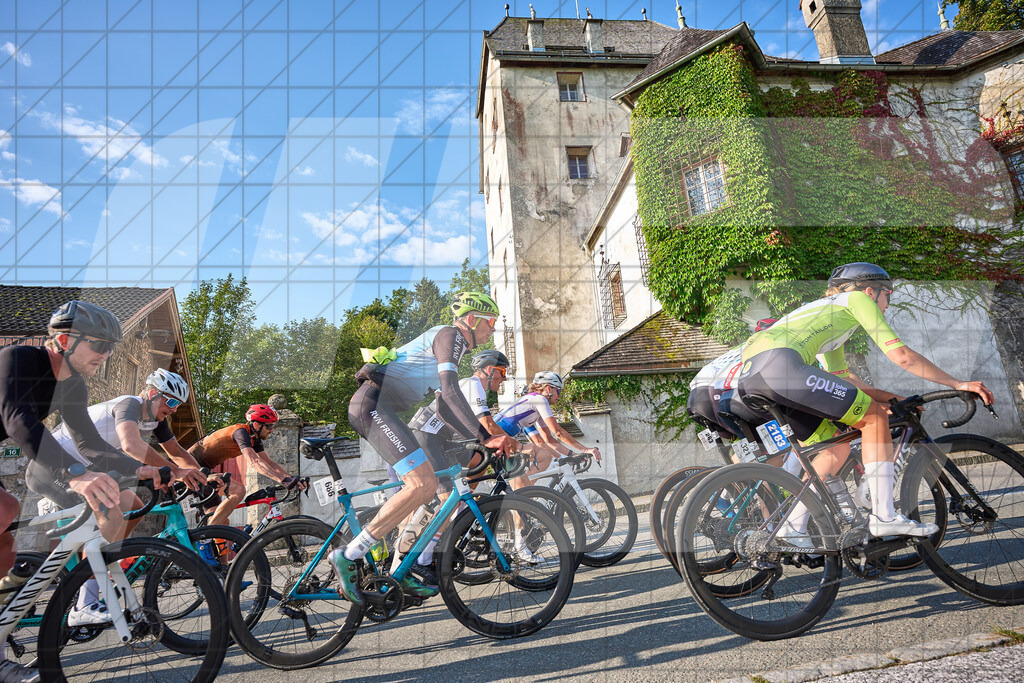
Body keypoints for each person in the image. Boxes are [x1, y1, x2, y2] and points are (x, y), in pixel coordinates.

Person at [737, 263, 995, 544]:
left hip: (752, 376)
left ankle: (793, 526)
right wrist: (957, 383)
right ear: (872, 291)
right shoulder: (857, 299)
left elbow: (841, 378)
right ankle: (884, 516)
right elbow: (902, 356)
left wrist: (889, 398)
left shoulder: (829, 314)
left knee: (836, 445)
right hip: (780, 367)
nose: (888, 304)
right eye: (889, 295)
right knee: (873, 418)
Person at [3, 301, 171, 680]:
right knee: (5, 507)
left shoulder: (74, 384)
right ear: (64, 339)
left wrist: (141, 468)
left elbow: (90, 443)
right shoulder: (17, 359)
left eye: (110, 347)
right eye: (99, 345)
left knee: (5, 549)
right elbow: (18, 420)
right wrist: (74, 475)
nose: (106, 355)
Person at [333, 292, 516, 605]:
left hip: (383, 409)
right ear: (472, 320)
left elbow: (444, 405)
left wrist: (479, 440)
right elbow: (450, 390)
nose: (492, 331)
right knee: (422, 484)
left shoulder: (451, 346)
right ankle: (350, 555)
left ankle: (399, 572)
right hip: (373, 406)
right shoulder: (450, 336)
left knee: (424, 486)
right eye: (490, 324)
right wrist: (483, 436)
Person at [401, 349, 511, 585]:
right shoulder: (474, 385)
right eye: (502, 372)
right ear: (489, 370)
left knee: (468, 478)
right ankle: (423, 559)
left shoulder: (471, 386)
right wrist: (520, 446)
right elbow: (487, 424)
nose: (504, 378)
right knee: (448, 498)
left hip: (441, 440)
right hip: (427, 436)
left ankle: (454, 516)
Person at [52, 368, 207, 491]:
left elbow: (176, 452)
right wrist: (177, 472)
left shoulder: (156, 419)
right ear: (153, 394)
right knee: (99, 517)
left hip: (86, 465)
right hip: (57, 460)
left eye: (178, 406)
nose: (174, 410)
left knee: (133, 507)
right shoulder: (129, 405)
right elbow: (131, 445)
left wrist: (204, 476)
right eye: (172, 403)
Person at [187, 404, 307, 527]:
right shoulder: (240, 432)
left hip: (205, 470)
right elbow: (254, 461)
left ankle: (206, 536)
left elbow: (269, 463)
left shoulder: (254, 438)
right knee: (238, 490)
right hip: (191, 467)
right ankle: (206, 534)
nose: (272, 430)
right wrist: (282, 480)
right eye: (269, 426)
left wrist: (290, 479)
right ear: (256, 425)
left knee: (222, 522)